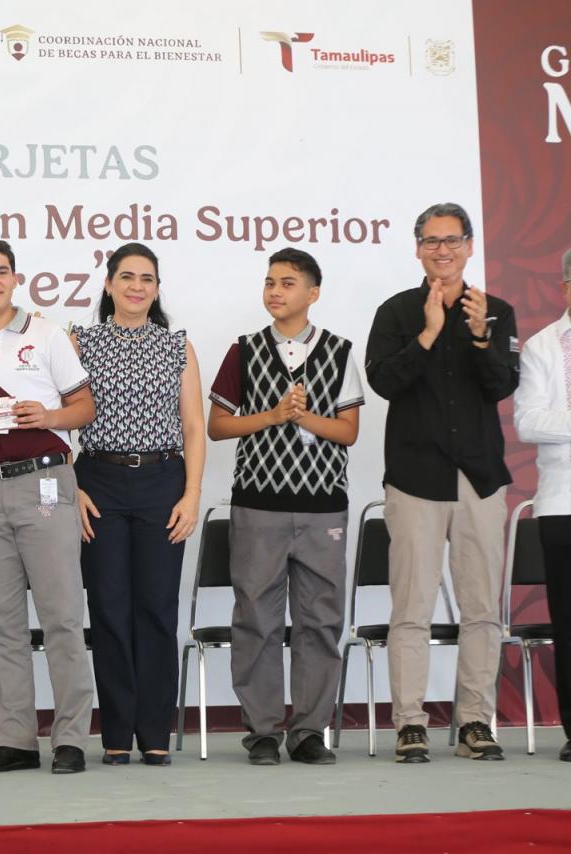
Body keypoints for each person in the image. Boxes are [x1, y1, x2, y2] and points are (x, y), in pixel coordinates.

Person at [0, 237, 97, 775]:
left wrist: (48, 417)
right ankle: (14, 741)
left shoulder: (46, 334)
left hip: (45, 483)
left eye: (1, 271)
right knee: (0, 624)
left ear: (15, 278)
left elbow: (84, 407)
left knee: (62, 617)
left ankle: (70, 738)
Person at [366, 202, 518, 763]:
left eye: (452, 240)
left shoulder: (496, 311)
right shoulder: (396, 312)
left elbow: (503, 385)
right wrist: (429, 334)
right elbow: (384, 382)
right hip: (415, 478)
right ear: (417, 249)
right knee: (411, 607)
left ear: (470, 247)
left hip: (479, 479)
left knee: (482, 609)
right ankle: (410, 723)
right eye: (431, 241)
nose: (442, 250)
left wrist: (479, 338)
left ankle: (475, 720)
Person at [208, 247, 363, 766]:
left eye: (288, 283)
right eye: (270, 282)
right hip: (258, 506)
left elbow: (348, 432)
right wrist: (274, 415)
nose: (275, 291)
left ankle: (309, 731)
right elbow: (218, 426)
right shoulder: (244, 351)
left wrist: (303, 418)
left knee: (320, 621)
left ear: (313, 293)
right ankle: (262, 732)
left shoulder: (339, 351)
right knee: (256, 618)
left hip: (323, 509)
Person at [72, 243, 205, 767]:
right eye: (126, 277)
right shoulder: (80, 342)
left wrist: (191, 495)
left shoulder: (177, 346)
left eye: (146, 278)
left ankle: (154, 732)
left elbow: (193, 427)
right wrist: (72, 488)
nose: (136, 286)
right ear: (108, 285)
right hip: (97, 482)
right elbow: (60, 419)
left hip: (162, 483)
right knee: (108, 608)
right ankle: (116, 733)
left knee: (156, 607)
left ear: (156, 288)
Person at [512, 245, 571, 764]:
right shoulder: (541, 347)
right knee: (568, 625)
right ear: (566, 287)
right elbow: (529, 422)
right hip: (562, 504)